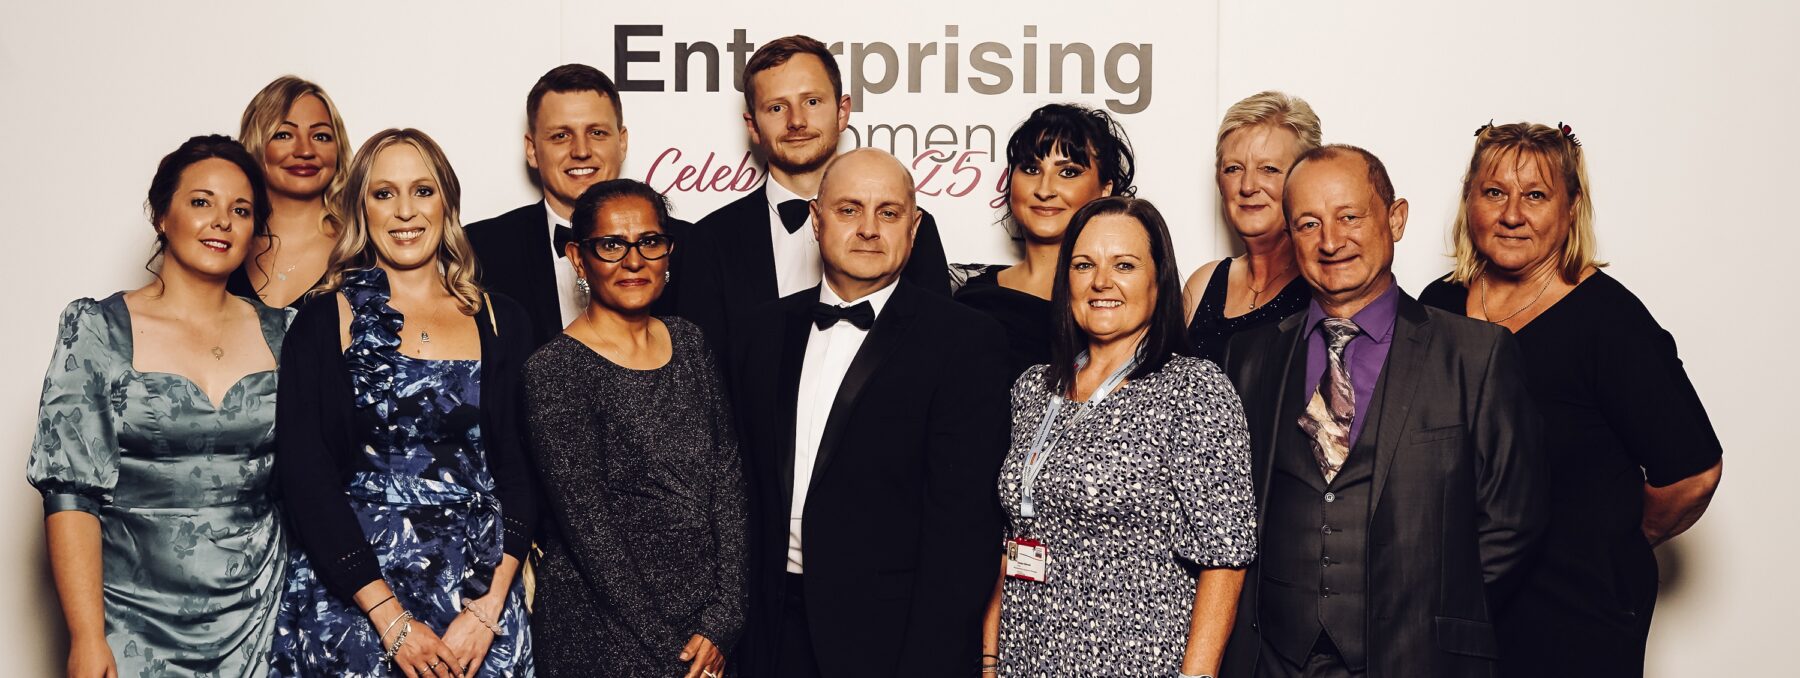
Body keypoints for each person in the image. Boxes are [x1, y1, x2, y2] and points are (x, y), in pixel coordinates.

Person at [1218, 144, 1546, 678]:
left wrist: (1421, 618)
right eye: (1308, 224)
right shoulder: (1249, 356)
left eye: (1349, 217)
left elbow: (1512, 521)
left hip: (1419, 662)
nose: (1330, 242)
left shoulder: (1477, 355)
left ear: (1395, 219)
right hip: (1273, 661)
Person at [1419, 121, 1723, 677]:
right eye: (1494, 192)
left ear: (1571, 206)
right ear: (1469, 200)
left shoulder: (1610, 321)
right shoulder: (1437, 305)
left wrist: (1611, 542)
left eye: (1536, 195)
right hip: (1460, 608)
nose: (1512, 214)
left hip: (1578, 614)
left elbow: (1693, 474)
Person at [726, 148, 1010, 678]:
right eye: (849, 209)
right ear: (816, 220)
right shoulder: (758, 333)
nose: (869, 229)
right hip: (767, 635)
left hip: (890, 641)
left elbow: (964, 530)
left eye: (889, 212)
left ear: (914, 227)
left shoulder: (965, 342)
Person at [270, 128, 537, 678]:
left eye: (422, 190)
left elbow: (523, 473)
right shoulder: (320, 321)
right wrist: (389, 619)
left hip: (477, 601)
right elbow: (305, 478)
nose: (405, 211)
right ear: (360, 208)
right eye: (384, 193)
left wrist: (489, 609)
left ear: (447, 202)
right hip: (355, 597)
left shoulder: (502, 320)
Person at [29, 134, 289, 677]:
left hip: (264, 618)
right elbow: (70, 493)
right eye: (201, 202)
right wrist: (86, 636)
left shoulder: (287, 334)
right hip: (131, 620)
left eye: (241, 210)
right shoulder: (96, 329)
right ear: (161, 215)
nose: (222, 221)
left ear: (255, 231)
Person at [979, 196, 1256, 678]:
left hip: (1136, 661)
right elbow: (1013, 538)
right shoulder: (1033, 388)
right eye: (1083, 265)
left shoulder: (1192, 389)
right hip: (1024, 659)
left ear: (1158, 281)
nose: (1101, 282)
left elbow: (1225, 559)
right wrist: (989, 660)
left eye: (1124, 265)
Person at [524, 179, 747, 678]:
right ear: (578, 258)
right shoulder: (555, 370)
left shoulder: (690, 343)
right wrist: (673, 653)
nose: (633, 261)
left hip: (706, 632)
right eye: (611, 245)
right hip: (603, 634)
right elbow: (590, 532)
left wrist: (724, 619)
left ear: (669, 253)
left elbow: (728, 483)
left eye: (649, 242)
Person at [681, 35, 951, 350]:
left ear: (842, 111)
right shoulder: (709, 241)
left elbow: (939, 346)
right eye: (777, 107)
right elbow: (701, 367)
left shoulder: (906, 228)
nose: (796, 121)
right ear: (753, 126)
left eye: (812, 102)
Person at [465, 64, 691, 347]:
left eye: (597, 133)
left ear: (622, 143)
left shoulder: (691, 246)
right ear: (532, 149)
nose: (581, 151)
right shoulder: (478, 249)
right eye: (561, 135)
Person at [953, 103, 1135, 378]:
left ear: (1105, 190)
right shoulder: (960, 289)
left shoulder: (1118, 301)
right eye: (1030, 169)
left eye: (1068, 172)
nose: (1044, 189)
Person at [1182, 91, 1320, 365]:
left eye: (1268, 169)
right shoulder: (1203, 284)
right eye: (1233, 169)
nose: (1247, 186)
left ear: (1305, 180)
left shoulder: (1323, 284)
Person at [229, 75, 353, 308]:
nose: (305, 151)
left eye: (321, 136)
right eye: (283, 135)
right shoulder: (222, 239)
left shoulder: (360, 249)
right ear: (256, 144)